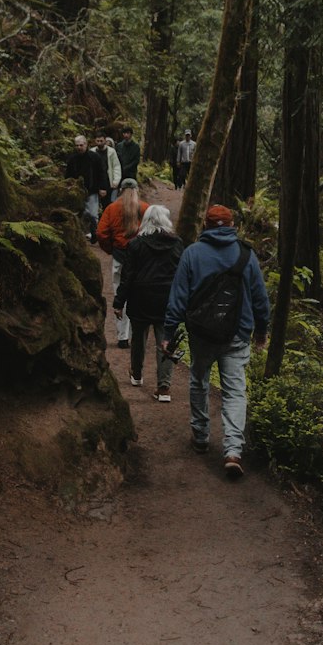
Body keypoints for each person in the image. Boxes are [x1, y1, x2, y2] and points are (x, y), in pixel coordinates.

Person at [162, 203, 269, 479]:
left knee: (199, 379)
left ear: (206, 226)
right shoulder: (246, 254)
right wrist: (261, 331)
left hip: (201, 334)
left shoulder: (192, 254)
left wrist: (169, 332)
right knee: (235, 390)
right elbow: (260, 297)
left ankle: (200, 436)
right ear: (233, 226)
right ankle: (233, 450)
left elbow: (178, 296)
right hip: (237, 334)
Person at [114, 205, 184, 401]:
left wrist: (119, 302)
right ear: (166, 220)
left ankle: (137, 374)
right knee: (166, 340)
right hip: (167, 299)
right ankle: (164, 388)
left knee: (138, 337)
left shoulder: (136, 244)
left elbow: (126, 276)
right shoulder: (177, 244)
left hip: (140, 297)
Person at [96, 179, 148, 346]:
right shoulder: (145, 208)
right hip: (140, 260)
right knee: (138, 295)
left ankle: (122, 337)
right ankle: (137, 335)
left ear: (121, 190)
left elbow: (101, 233)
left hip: (120, 258)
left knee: (120, 294)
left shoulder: (112, 208)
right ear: (136, 190)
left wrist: (110, 249)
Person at [65, 134, 103, 242]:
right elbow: (68, 175)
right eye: (77, 145)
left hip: (92, 190)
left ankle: (95, 233)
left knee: (92, 214)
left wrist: (102, 187)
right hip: (76, 191)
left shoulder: (94, 157)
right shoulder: (72, 158)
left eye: (81, 145)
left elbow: (101, 173)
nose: (79, 147)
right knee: (78, 214)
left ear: (86, 144)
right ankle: (79, 235)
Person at [103, 135, 122, 204]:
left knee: (112, 200)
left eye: (110, 144)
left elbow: (118, 168)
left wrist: (117, 181)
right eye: (106, 144)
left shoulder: (117, 155)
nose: (108, 146)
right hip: (105, 182)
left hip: (114, 182)